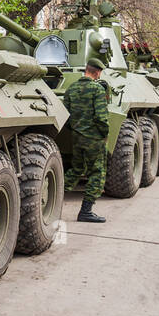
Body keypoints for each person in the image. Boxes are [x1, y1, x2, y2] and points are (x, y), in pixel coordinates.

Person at [62, 58, 109, 223]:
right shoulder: (97, 89)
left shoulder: (71, 89)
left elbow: (65, 115)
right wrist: (104, 134)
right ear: (97, 72)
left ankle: (52, 198)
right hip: (94, 138)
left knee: (76, 169)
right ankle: (86, 211)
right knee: (97, 172)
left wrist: (75, 130)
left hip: (77, 137)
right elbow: (101, 117)